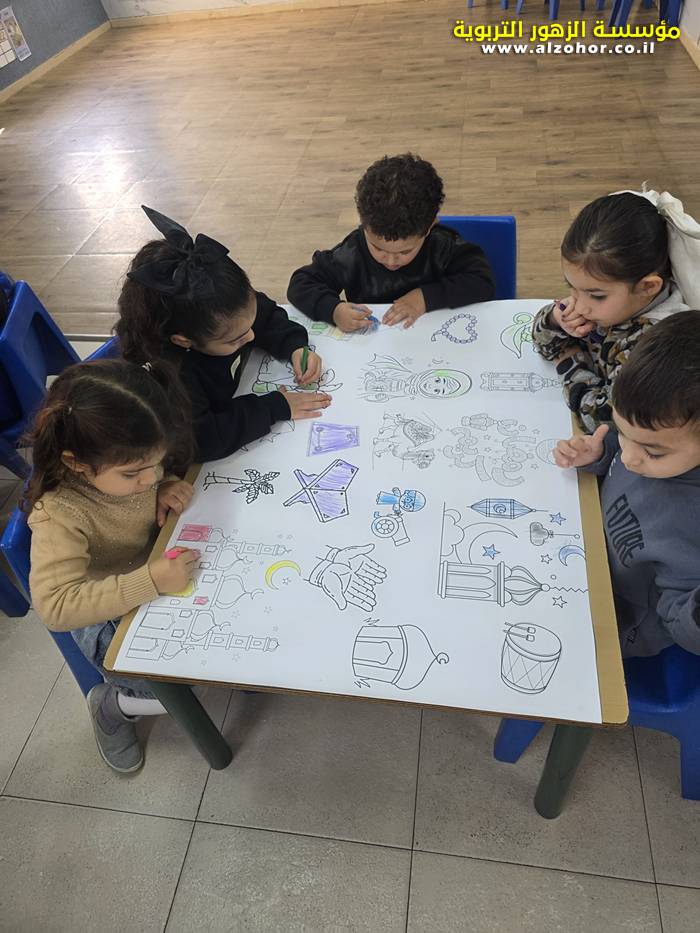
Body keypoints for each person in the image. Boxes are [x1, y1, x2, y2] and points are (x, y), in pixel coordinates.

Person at [26, 359, 198, 773]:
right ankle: (114, 705)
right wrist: (149, 581)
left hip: (152, 572)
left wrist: (166, 484)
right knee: (180, 688)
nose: (148, 478)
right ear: (76, 463)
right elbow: (56, 607)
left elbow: (150, 476)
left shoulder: (128, 459)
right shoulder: (59, 514)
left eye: (156, 463)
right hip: (102, 613)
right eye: (134, 473)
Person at [116, 206, 331, 462]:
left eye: (249, 324)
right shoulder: (172, 375)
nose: (250, 337)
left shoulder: (226, 310)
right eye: (235, 339)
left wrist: (293, 346)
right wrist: (273, 407)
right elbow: (202, 440)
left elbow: (266, 315)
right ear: (184, 340)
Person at [553, 311, 700, 657]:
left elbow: (679, 623)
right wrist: (602, 453)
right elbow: (625, 453)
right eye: (623, 432)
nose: (630, 458)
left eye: (652, 452)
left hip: (617, 625)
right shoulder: (656, 437)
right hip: (578, 550)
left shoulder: (690, 524)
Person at [532, 189, 700, 432]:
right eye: (572, 287)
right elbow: (542, 341)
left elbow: (603, 421)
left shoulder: (657, 348)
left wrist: (570, 362)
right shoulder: (610, 301)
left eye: (596, 295)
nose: (579, 305)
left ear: (648, 287)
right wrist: (556, 320)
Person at [287, 153, 495, 332]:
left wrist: (424, 298)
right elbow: (301, 283)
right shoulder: (353, 251)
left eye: (404, 252)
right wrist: (333, 310)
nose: (390, 260)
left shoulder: (442, 247)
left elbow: (482, 283)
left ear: (429, 227)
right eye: (378, 248)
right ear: (364, 225)